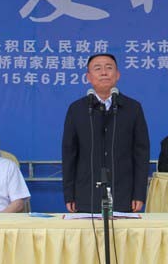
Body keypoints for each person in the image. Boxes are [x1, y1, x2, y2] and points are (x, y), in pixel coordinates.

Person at [62, 53, 150, 213]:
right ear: (88, 77)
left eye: (109, 68)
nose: (104, 72)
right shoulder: (77, 109)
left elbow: (141, 154)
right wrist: (69, 194)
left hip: (124, 191)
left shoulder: (133, 108)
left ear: (117, 75)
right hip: (86, 191)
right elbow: (69, 154)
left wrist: (139, 193)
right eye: (97, 68)